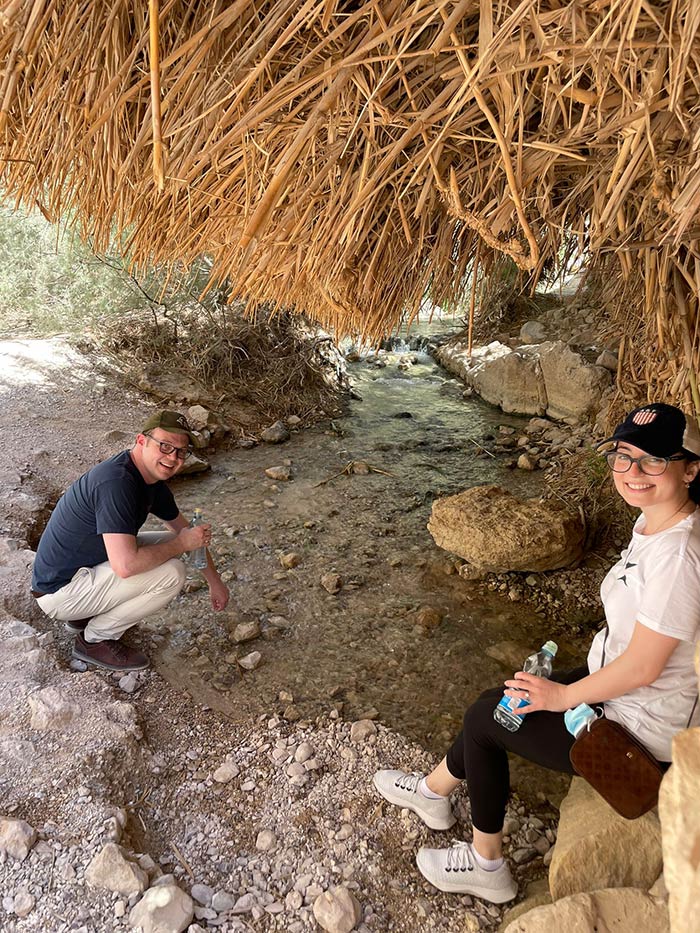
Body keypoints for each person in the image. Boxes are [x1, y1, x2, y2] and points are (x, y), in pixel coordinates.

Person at [373, 402, 700, 904]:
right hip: (621, 690)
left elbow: (644, 666)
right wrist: (556, 691)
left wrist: (563, 696)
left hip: (638, 732)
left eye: (654, 460)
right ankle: (433, 794)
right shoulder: (657, 524)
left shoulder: (678, 556)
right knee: (503, 697)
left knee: (485, 721)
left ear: (689, 469)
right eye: (624, 455)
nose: (633, 471)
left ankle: (487, 866)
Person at [31, 410, 229, 672]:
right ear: (141, 440)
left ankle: (84, 617)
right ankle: (94, 640)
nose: (173, 457)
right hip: (59, 593)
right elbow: (126, 566)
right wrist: (182, 544)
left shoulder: (150, 481)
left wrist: (215, 583)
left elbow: (188, 533)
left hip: (78, 573)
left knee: (174, 539)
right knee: (173, 573)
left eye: (181, 451)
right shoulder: (116, 483)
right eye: (165, 446)